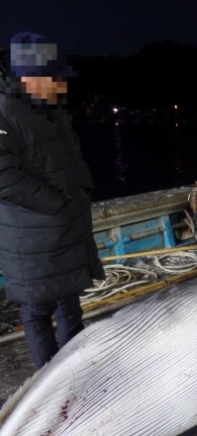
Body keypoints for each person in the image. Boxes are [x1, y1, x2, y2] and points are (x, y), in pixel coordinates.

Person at [0, 32, 105, 369]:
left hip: (63, 227)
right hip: (33, 233)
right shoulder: (4, 111)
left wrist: (81, 191)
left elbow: (69, 158)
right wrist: (54, 203)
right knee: (37, 309)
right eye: (53, 76)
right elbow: (4, 177)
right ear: (29, 76)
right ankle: (47, 378)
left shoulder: (50, 108)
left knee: (69, 299)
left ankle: (76, 366)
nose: (61, 84)